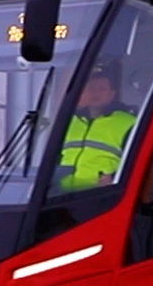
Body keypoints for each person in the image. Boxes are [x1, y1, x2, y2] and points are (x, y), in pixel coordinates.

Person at [56, 62, 137, 191]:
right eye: (91, 88)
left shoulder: (128, 123)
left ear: (112, 94)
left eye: (102, 89)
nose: (95, 93)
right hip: (62, 193)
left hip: (99, 194)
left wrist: (114, 178)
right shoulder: (70, 121)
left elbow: (137, 161)